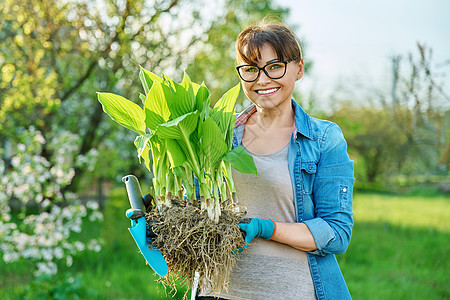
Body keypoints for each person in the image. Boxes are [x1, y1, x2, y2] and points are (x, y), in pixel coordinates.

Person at [197, 19, 355, 300]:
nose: (262, 79)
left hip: (293, 292)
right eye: (250, 69)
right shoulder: (218, 134)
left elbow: (336, 232)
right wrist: (156, 220)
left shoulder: (324, 139)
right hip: (218, 292)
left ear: (299, 68)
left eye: (275, 66)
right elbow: (196, 208)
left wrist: (266, 228)